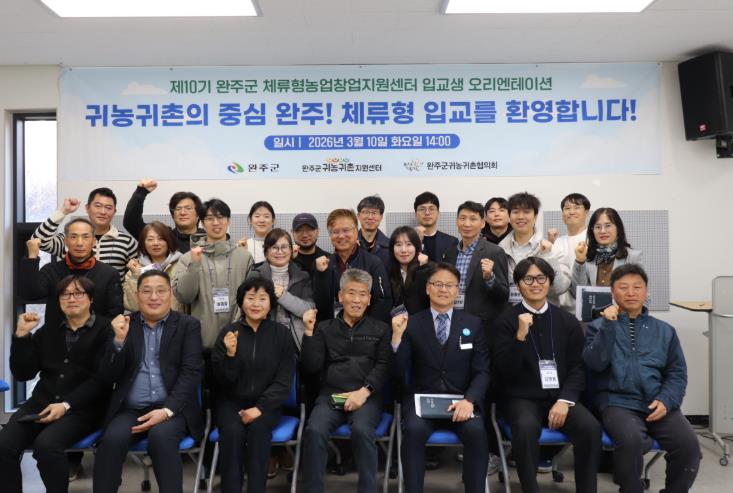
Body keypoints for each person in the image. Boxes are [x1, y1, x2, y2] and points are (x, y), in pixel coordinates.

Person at [583, 264, 700, 493]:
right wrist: (608, 326)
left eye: (637, 287)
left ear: (646, 292)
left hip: (657, 403)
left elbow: (677, 374)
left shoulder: (665, 331)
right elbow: (595, 363)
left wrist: (666, 400)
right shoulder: (597, 327)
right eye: (623, 287)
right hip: (617, 403)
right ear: (612, 292)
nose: (631, 293)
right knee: (630, 441)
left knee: (688, 445)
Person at [493, 257, 601, 493]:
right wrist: (520, 336)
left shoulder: (566, 321)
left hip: (560, 397)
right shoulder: (505, 321)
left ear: (550, 282)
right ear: (518, 285)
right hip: (521, 398)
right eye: (528, 279)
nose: (535, 284)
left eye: (541, 278)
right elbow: (504, 370)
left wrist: (565, 400)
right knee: (525, 427)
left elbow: (577, 367)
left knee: (590, 428)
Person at [93, 270, 204, 493]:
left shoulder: (188, 325)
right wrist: (118, 341)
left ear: (170, 294)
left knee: (161, 438)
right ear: (137, 295)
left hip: (172, 410)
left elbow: (191, 373)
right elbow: (108, 375)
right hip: (131, 410)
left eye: (160, 291)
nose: (154, 297)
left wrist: (167, 411)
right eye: (146, 291)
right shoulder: (123, 325)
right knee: (111, 441)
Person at [0, 276, 111, 493]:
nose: (71, 298)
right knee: (4, 446)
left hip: (83, 409)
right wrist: (22, 336)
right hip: (41, 403)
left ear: (90, 299)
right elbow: (23, 373)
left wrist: (66, 405)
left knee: (47, 446)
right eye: (65, 294)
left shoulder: (106, 329)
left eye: (78, 293)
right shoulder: (48, 330)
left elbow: (102, 379)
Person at [391, 262, 490, 493]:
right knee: (413, 431)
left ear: (457, 290)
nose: (443, 289)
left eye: (449, 285)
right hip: (422, 402)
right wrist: (396, 339)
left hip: (461, 402)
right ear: (428, 289)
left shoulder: (473, 324)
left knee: (477, 432)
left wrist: (470, 400)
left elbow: (483, 371)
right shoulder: (412, 323)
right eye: (438, 284)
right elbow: (398, 370)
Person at [301, 269, 391, 493]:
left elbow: (384, 366)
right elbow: (311, 367)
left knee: (362, 430)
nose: (357, 300)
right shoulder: (324, 328)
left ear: (369, 299)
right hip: (332, 396)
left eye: (362, 294)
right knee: (315, 430)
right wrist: (309, 332)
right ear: (341, 296)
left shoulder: (381, 329)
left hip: (366, 396)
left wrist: (364, 391)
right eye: (351, 293)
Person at [211, 277, 295, 493]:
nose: (256, 304)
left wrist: (259, 408)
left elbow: (283, 381)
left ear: (271, 303)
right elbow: (221, 381)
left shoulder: (282, 335)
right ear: (241, 302)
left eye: (262, 298)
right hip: (231, 402)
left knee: (258, 431)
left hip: (267, 405)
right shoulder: (229, 333)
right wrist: (230, 355)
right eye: (250, 298)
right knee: (232, 433)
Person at [172, 198, 254, 350]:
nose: (216, 223)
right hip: (200, 343)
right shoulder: (188, 258)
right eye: (210, 218)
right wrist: (194, 265)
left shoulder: (244, 257)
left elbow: (250, 298)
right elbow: (184, 296)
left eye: (220, 217)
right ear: (202, 223)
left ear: (228, 221)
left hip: (237, 341)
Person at [20, 218, 123, 330]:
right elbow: (30, 294)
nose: (79, 243)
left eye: (85, 237)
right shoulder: (51, 270)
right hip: (57, 336)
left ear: (94, 241)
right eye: (74, 237)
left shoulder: (109, 273)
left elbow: (114, 314)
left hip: (97, 338)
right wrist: (32, 257)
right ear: (65, 241)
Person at [32, 187, 138, 281]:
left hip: (112, 297)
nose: (103, 212)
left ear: (114, 211)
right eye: (98, 206)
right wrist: (63, 212)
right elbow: (38, 241)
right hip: (75, 296)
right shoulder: (70, 238)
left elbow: (137, 274)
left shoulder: (127, 242)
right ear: (87, 208)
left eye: (108, 208)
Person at [313, 208, 392, 323]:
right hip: (333, 330)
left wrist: (368, 329)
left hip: (367, 329)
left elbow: (383, 302)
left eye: (346, 230)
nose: (341, 236)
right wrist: (321, 275)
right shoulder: (325, 265)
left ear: (356, 231)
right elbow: (321, 304)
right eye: (335, 232)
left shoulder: (373, 263)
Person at [246, 228, 315, 353]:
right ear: (266, 251)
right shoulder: (256, 275)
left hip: (295, 340)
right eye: (274, 247)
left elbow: (309, 309)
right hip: (263, 339)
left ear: (291, 250)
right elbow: (248, 309)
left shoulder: (302, 276)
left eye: (284, 247)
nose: (280, 252)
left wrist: (283, 296)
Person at [442, 200, 509, 326]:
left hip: (481, 323)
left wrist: (490, 278)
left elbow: (504, 295)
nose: (467, 224)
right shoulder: (450, 253)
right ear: (457, 221)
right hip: (452, 319)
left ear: (483, 223)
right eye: (462, 218)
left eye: (473, 219)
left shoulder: (495, 252)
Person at [499, 192, 570, 305]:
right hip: (510, 313)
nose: (521, 217)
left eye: (526, 212)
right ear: (509, 216)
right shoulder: (500, 250)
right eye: (516, 212)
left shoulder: (552, 250)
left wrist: (548, 256)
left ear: (535, 217)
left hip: (542, 312)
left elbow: (559, 289)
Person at [122, 178, 205, 253]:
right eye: (178, 209)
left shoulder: (209, 237)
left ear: (198, 214)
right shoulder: (164, 237)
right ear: (173, 215)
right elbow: (131, 223)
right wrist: (141, 192)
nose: (183, 212)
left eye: (188, 208)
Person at [572, 207, 643, 289]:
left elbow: (641, 293)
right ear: (592, 231)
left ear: (618, 228)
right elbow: (578, 291)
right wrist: (580, 261)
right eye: (598, 227)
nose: (603, 231)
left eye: (608, 226)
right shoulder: (588, 256)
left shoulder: (633, 256)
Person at [123, 221, 184, 312]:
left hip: (177, 319)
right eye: (150, 239)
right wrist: (137, 276)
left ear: (169, 241)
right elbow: (132, 306)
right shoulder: (135, 269)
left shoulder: (182, 264)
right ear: (143, 243)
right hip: (145, 320)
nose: (155, 243)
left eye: (161, 239)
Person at [548, 193, 591, 313]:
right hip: (560, 310)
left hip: (587, 309)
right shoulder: (558, 242)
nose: (571, 212)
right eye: (567, 208)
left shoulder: (593, 239)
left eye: (577, 207)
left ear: (586, 212)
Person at [388, 226, 432, 315]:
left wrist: (422, 269)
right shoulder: (387, 270)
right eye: (398, 245)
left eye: (409, 244)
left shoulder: (428, 269)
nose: (403, 250)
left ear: (416, 247)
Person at [412, 191, 458, 262]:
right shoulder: (408, 241)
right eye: (422, 209)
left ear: (438, 213)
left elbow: (451, 267)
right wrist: (418, 241)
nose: (427, 213)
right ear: (415, 214)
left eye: (431, 209)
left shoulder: (451, 242)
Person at [291, 213, 328, 280]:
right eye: (299, 230)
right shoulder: (285, 260)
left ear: (318, 231)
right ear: (292, 232)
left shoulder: (328, 259)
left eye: (309, 229)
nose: (304, 235)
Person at [357, 195, 391, 266]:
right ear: (358, 216)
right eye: (366, 212)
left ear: (381, 217)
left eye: (374, 213)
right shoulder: (350, 244)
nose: (370, 217)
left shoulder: (390, 245)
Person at [243, 201, 276, 265]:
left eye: (266, 216)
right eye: (257, 216)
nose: (261, 220)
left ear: (273, 220)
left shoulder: (281, 244)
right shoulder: (243, 246)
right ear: (250, 220)